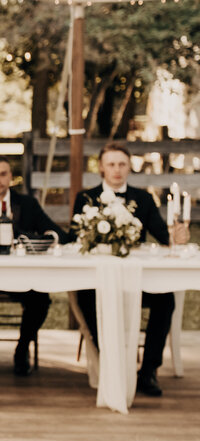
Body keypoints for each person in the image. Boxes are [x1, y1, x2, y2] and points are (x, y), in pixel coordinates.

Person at [73, 141, 187, 398]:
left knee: (165, 300)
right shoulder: (86, 198)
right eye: (111, 164)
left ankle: (148, 371)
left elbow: (162, 235)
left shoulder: (144, 198)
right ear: (102, 168)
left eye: (122, 164)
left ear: (129, 168)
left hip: (135, 280)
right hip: (98, 281)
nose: (117, 169)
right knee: (85, 297)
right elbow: (74, 237)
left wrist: (176, 235)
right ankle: (112, 362)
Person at [0, 155, 68, 376]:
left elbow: (58, 234)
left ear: (10, 177)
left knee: (41, 300)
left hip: (20, 276)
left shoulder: (27, 204)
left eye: (3, 174)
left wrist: (40, 239)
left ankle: (22, 349)